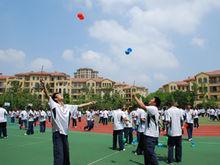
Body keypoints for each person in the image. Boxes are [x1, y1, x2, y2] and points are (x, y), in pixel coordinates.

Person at [40, 79, 95, 165]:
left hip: (65, 134)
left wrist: (90, 103)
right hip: (57, 133)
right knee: (59, 155)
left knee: (66, 154)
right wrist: (43, 85)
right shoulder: (54, 105)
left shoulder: (68, 107)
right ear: (55, 99)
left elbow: (79, 106)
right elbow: (47, 95)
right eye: (59, 94)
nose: (61, 94)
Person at [133, 95, 161, 165]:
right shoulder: (152, 109)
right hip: (149, 134)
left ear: (154, 103)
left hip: (150, 135)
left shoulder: (153, 108)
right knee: (147, 154)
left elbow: (142, 106)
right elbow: (142, 105)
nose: (150, 100)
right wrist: (140, 99)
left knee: (150, 153)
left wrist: (135, 97)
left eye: (152, 99)